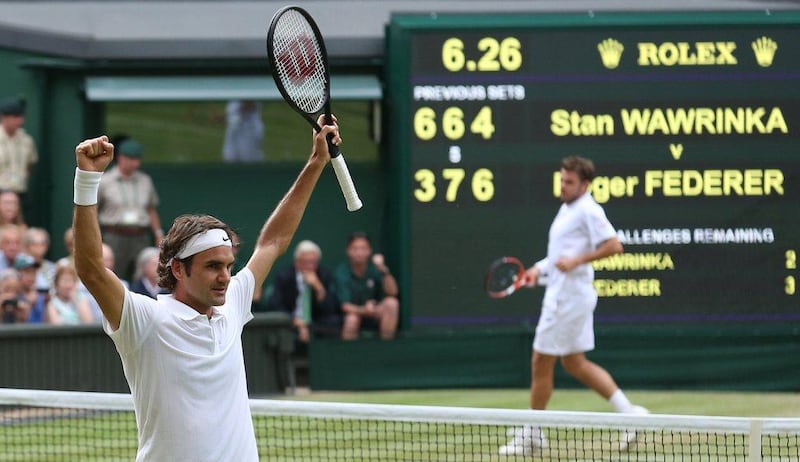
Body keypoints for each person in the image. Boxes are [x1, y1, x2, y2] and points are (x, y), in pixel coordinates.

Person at [72, 113, 340, 461]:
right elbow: (91, 269)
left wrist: (316, 162)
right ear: (179, 270)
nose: (226, 276)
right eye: (213, 266)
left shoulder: (232, 305)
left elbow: (273, 241)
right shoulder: (146, 319)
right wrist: (87, 180)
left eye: (228, 265)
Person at [498, 156, 648, 456]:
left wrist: (577, 261)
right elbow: (560, 256)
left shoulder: (589, 210)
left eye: (569, 182)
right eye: (562, 180)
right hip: (568, 295)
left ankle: (532, 434)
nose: (563, 186)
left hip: (567, 300)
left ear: (585, 185)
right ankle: (630, 415)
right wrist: (537, 271)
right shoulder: (567, 209)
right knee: (574, 363)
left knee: (541, 361)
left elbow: (613, 245)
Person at [97, 138, 163, 281]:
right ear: (121, 158)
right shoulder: (105, 181)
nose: (136, 164)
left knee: (144, 275)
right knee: (113, 276)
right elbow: (93, 210)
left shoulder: (145, 180)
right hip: (114, 235)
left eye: (138, 159)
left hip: (140, 235)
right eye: (131, 159)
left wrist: (158, 234)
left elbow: (151, 209)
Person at [267, 240, 341, 343]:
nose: (311, 267)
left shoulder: (324, 275)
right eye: (306, 263)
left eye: (314, 263)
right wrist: (295, 320)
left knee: (334, 323)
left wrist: (318, 288)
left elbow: (331, 309)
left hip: (316, 321)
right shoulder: (284, 276)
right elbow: (275, 305)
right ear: (297, 262)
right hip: (291, 320)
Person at [333, 231, 399, 340]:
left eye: (363, 248)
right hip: (353, 315)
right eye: (355, 249)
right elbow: (345, 306)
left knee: (392, 303)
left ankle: (386, 349)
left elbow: (393, 292)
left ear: (369, 251)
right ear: (348, 251)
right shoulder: (342, 272)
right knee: (352, 319)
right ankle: (347, 354)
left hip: (375, 313)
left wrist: (384, 270)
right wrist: (365, 310)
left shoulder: (375, 269)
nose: (359, 252)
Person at [0, 98, 39, 214]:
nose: (19, 121)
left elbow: (30, 164)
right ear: (4, 117)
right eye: (15, 117)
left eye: (21, 117)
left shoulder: (26, 140)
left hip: (20, 192)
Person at [24, 227, 56, 293]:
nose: (38, 247)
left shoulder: (52, 267)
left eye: (42, 244)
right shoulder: (21, 266)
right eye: (34, 244)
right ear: (27, 246)